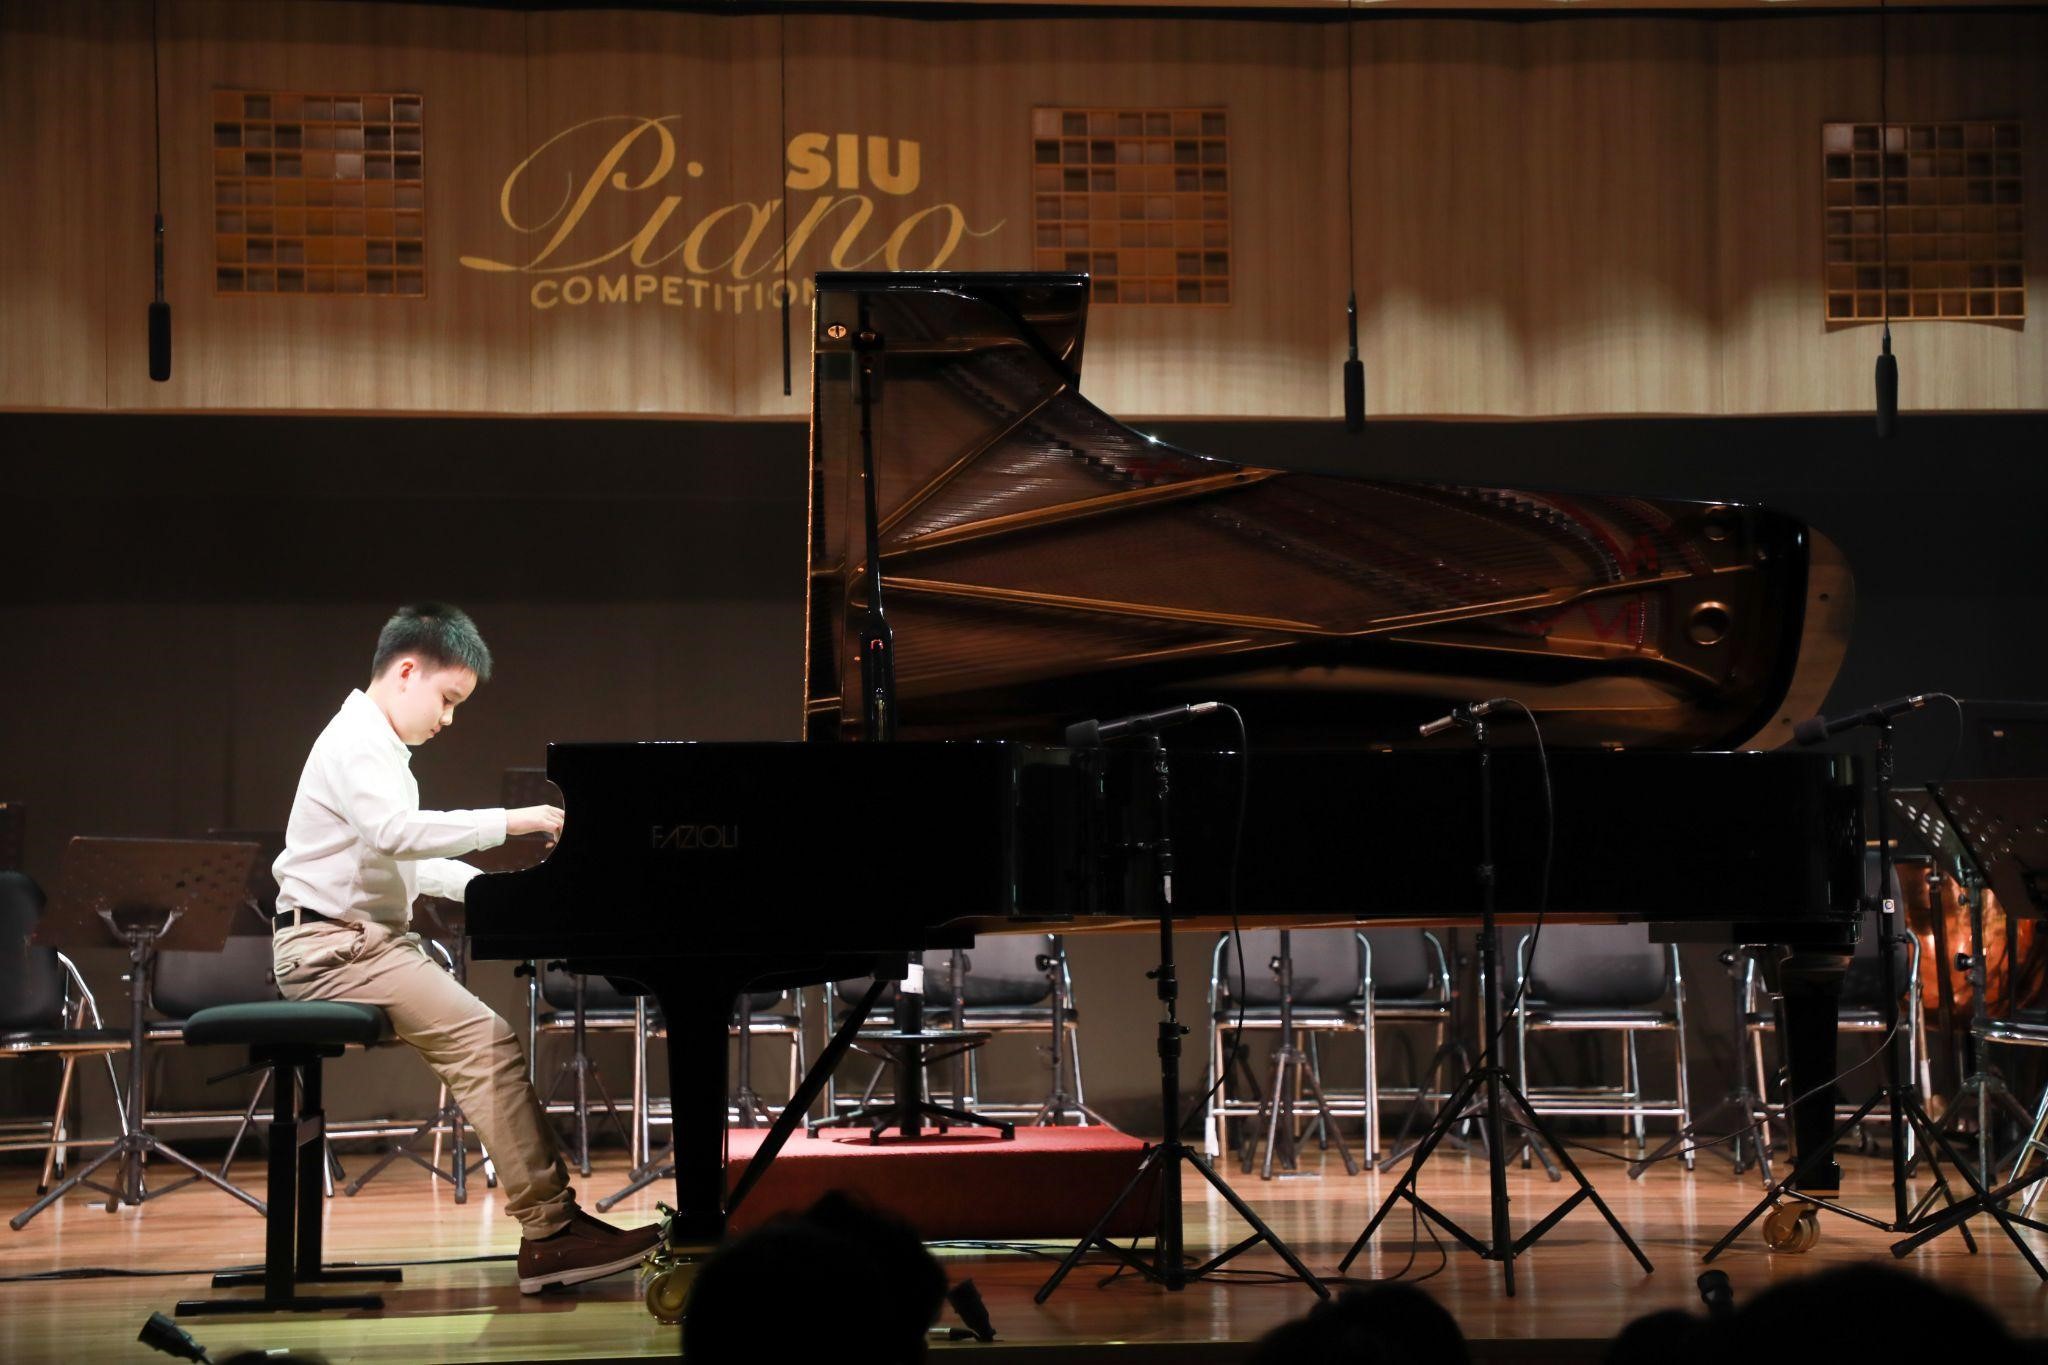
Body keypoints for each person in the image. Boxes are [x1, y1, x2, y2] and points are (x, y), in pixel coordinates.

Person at [269, 602, 659, 1294]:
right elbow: (396, 833)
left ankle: (555, 1223)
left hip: (361, 943)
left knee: (487, 1039)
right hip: (332, 949)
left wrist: (509, 889)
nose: (448, 719)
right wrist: (512, 821)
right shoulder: (357, 740)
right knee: (486, 1040)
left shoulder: (376, 747)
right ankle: (550, 1234)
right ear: (407, 671)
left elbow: (410, 861)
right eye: (447, 699)